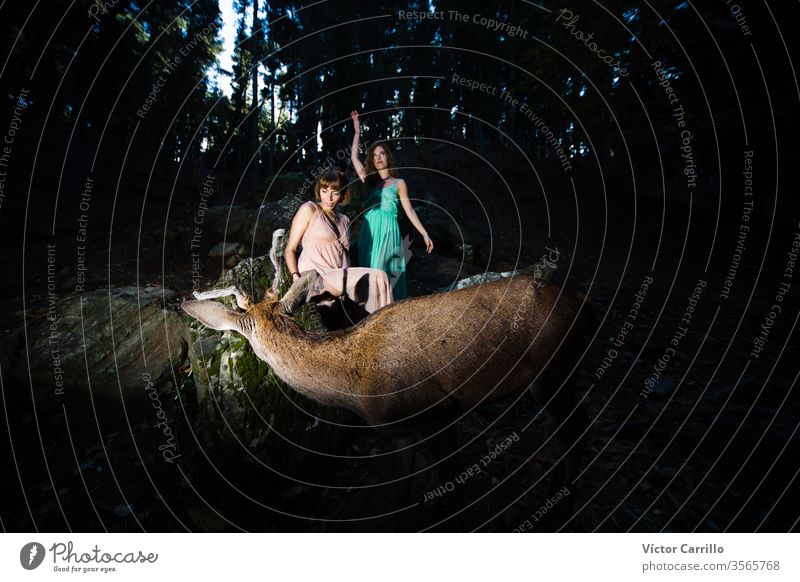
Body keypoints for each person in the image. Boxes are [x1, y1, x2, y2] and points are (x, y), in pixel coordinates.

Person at [284, 166, 393, 319]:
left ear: (342, 194)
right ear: (318, 190)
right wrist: (296, 279)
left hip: (338, 276)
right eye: (324, 191)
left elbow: (345, 257)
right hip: (315, 276)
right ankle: (386, 327)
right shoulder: (309, 209)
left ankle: (380, 329)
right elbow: (290, 249)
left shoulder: (344, 220)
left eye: (335, 193)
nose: (328, 198)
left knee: (379, 282)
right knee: (379, 276)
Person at [350, 110, 433, 300]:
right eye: (374, 155)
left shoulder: (399, 183)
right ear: (372, 160)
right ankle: (371, 312)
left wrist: (424, 232)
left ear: (388, 157)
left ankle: (388, 310)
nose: (378, 157)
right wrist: (357, 133)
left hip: (389, 231)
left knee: (386, 272)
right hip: (369, 232)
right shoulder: (368, 180)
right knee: (369, 271)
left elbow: (409, 210)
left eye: (382, 154)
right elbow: (354, 157)